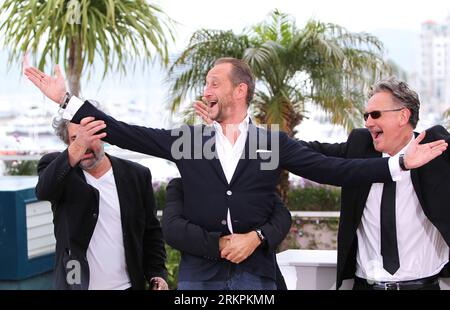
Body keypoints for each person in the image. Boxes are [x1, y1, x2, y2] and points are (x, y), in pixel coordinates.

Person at [25, 58, 446, 290]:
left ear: (240, 90)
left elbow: (334, 169)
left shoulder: (270, 143)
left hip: (256, 275)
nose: (205, 90)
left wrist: (400, 164)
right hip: (198, 278)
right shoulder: (190, 141)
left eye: (213, 82)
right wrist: (66, 99)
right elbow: (125, 132)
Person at [35, 112, 168, 290]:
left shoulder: (136, 175)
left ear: (103, 135)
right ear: (68, 144)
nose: (84, 146)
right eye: (75, 138)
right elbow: (44, 191)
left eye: (89, 136)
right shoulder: (58, 170)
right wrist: (79, 144)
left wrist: (157, 274)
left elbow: (151, 233)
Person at [162, 177, 288, 290]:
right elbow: (172, 228)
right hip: (200, 277)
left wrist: (256, 237)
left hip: (257, 273)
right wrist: (220, 244)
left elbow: (282, 217)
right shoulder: (182, 185)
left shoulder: (256, 180)